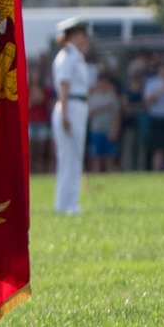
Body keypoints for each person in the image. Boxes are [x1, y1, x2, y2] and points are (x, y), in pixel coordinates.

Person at [49, 20, 93, 212]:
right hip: (70, 106)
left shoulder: (76, 56)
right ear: (73, 36)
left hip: (78, 105)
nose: (84, 39)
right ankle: (65, 204)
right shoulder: (67, 56)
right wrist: (65, 113)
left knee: (74, 157)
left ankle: (70, 202)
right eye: (81, 35)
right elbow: (64, 85)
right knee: (69, 158)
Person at [85, 69, 123, 174]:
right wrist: (102, 106)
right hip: (96, 130)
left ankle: (109, 179)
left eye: (105, 82)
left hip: (108, 131)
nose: (103, 84)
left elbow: (117, 115)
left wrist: (114, 131)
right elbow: (88, 113)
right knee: (96, 158)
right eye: (101, 82)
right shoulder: (93, 97)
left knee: (109, 158)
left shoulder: (113, 97)